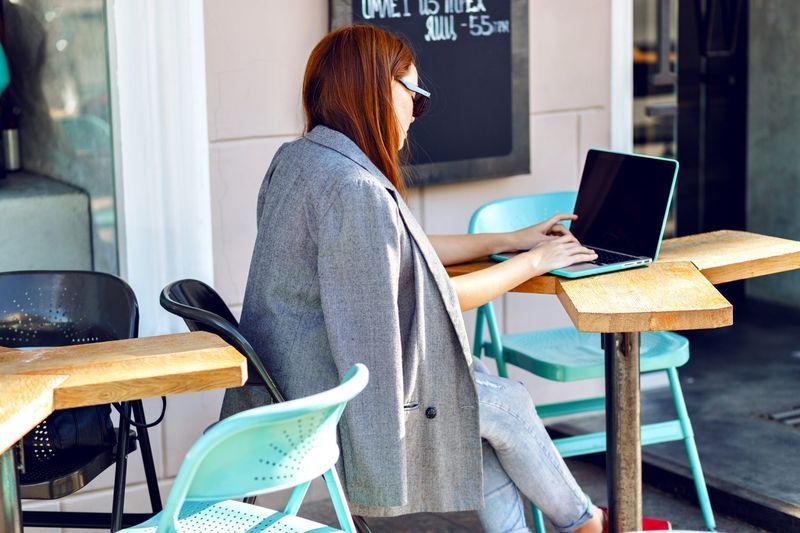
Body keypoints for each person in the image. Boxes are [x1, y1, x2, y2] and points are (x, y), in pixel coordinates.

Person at [224, 24, 668, 533]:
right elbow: (434, 297)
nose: (416, 111)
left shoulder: (303, 160)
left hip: (299, 374)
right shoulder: (353, 188)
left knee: (476, 405)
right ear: (375, 89)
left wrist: (507, 241)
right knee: (500, 402)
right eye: (414, 94)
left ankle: (583, 524)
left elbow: (399, 253)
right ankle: (588, 525)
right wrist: (533, 263)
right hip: (337, 398)